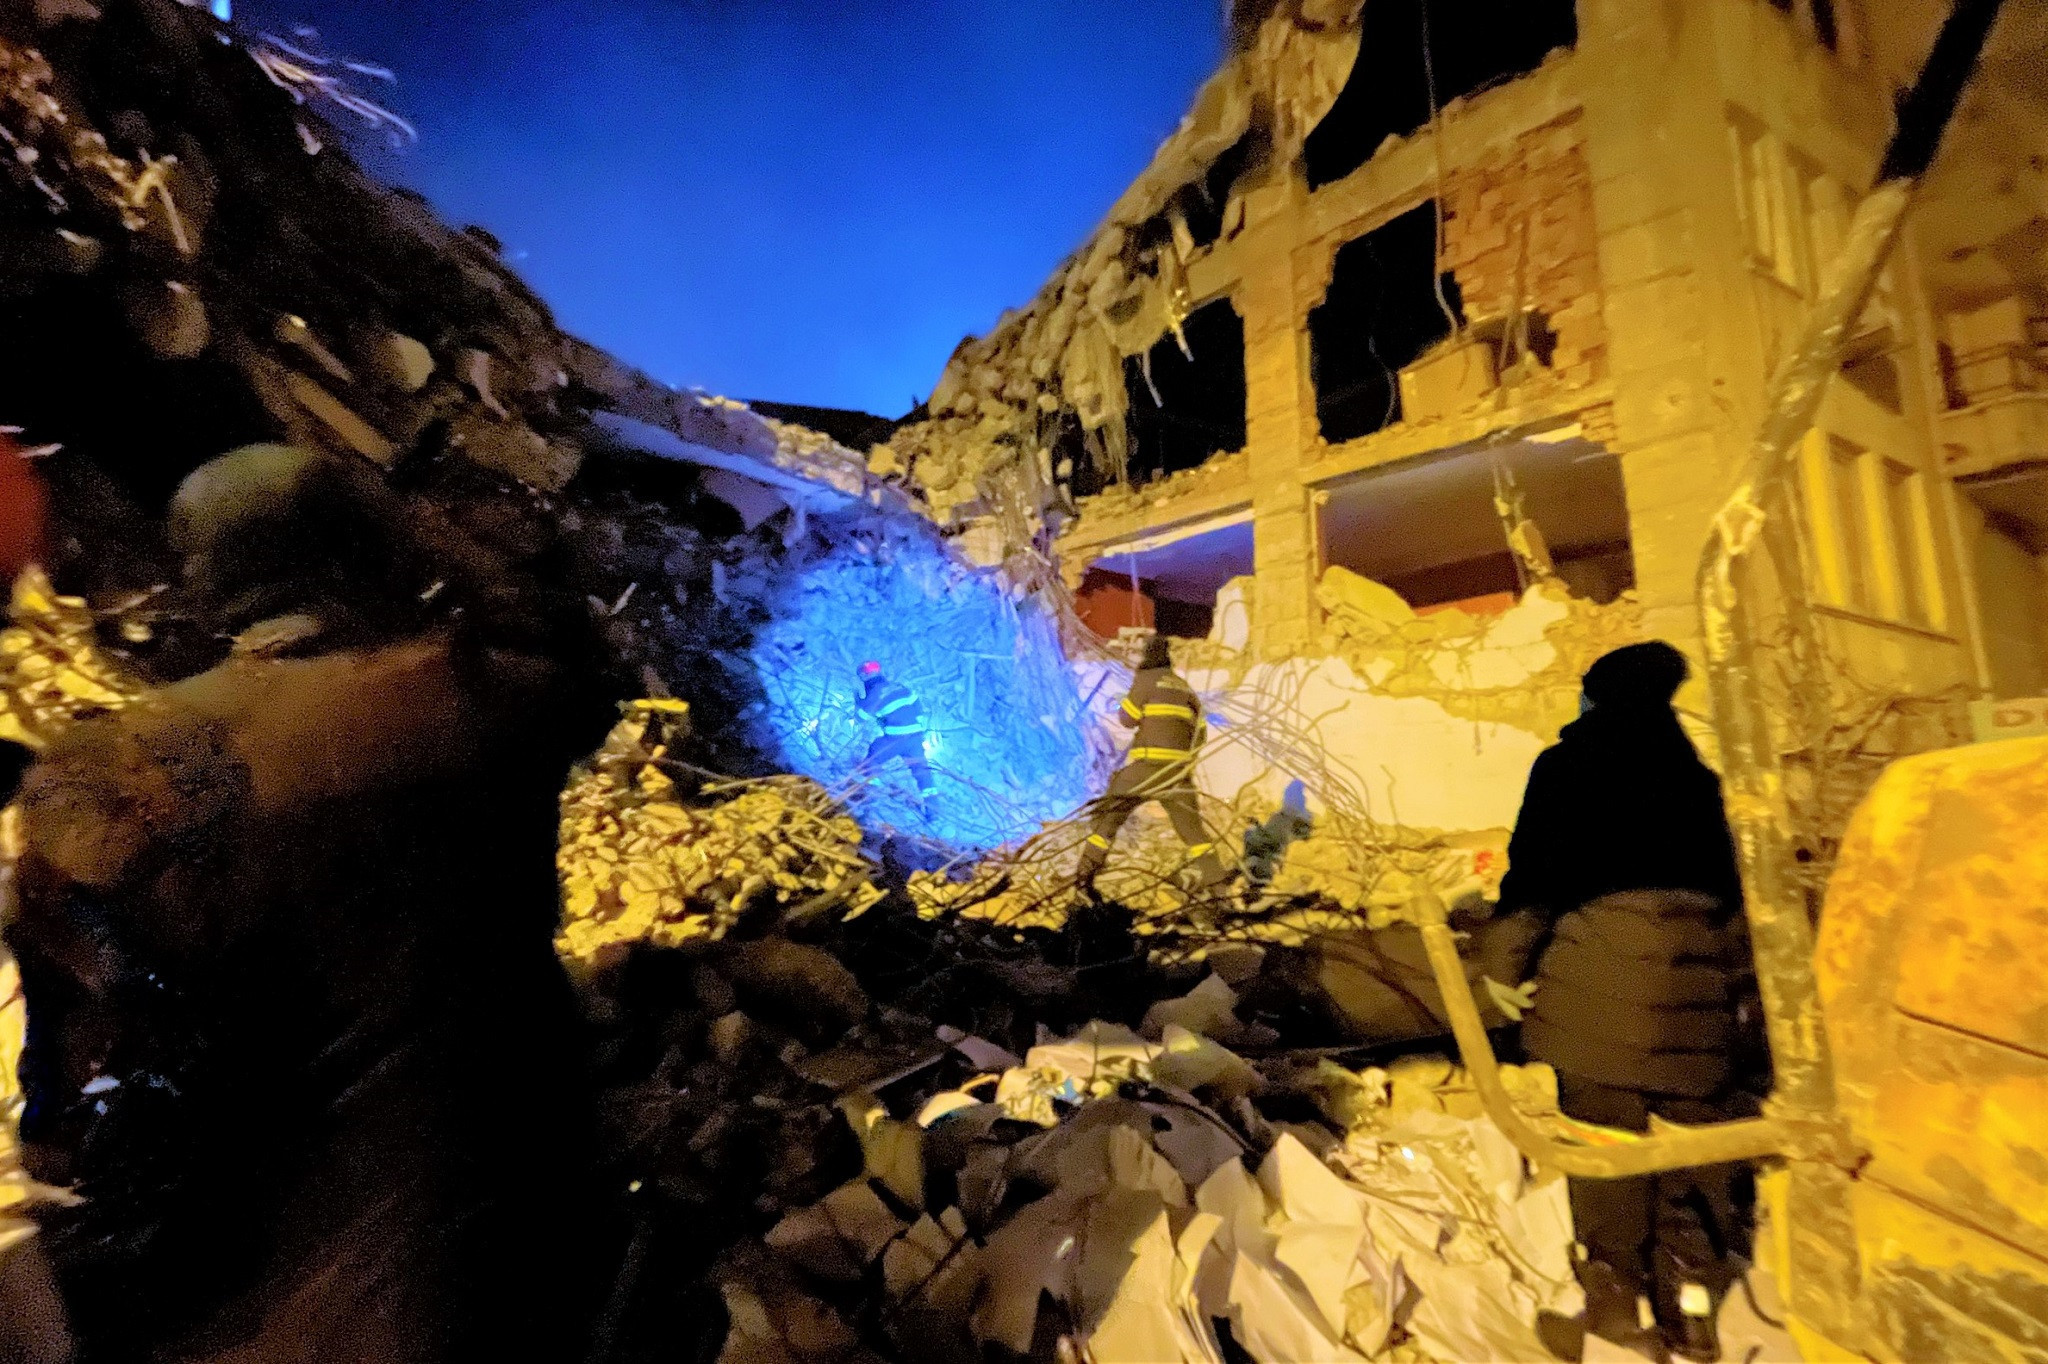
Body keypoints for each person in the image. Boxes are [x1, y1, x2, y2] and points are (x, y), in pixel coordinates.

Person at [6, 445, 619, 1363]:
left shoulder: (110, 769)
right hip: (529, 1214)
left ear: (201, 581)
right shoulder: (487, 698)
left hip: (284, 1268)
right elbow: (575, 654)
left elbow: (71, 1043)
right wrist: (431, 550)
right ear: (368, 550)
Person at [1497, 641, 1764, 1363]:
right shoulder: (1698, 781)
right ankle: (1693, 1315)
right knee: (1690, 1167)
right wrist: (1734, 1008)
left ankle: (1616, 1319)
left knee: (1605, 1157)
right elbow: (1737, 905)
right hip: (1698, 1013)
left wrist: (1500, 971)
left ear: (1599, 697)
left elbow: (1534, 882)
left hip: (1596, 1009)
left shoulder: (1568, 768)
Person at [1076, 634, 1225, 892]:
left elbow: (1127, 720)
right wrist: (1181, 763)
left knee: (1107, 819)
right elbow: (1200, 734)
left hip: (1145, 771)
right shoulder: (1185, 688)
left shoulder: (1146, 680)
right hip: (1177, 775)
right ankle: (1219, 885)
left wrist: (1123, 702)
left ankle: (1082, 880)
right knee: (1194, 832)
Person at [856, 661, 936, 800]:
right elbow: (918, 707)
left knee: (872, 759)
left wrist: (858, 700)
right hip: (916, 737)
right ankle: (932, 805)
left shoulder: (875, 693)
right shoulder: (900, 687)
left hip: (895, 739)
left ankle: (872, 793)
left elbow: (861, 718)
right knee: (921, 770)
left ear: (864, 677)